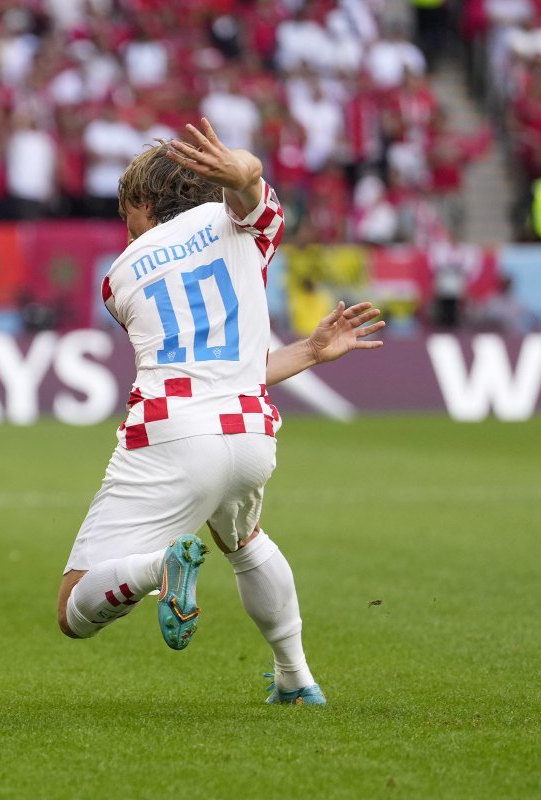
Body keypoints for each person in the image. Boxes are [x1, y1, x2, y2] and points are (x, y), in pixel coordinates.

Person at [56, 118, 385, 705]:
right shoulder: (242, 226)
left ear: (143, 203)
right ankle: (296, 678)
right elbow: (251, 189)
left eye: (126, 214)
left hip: (172, 433)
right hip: (250, 432)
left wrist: (241, 176)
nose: (125, 229)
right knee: (244, 540)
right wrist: (311, 351)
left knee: (73, 610)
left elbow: (194, 358)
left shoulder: (118, 278)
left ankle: (158, 568)